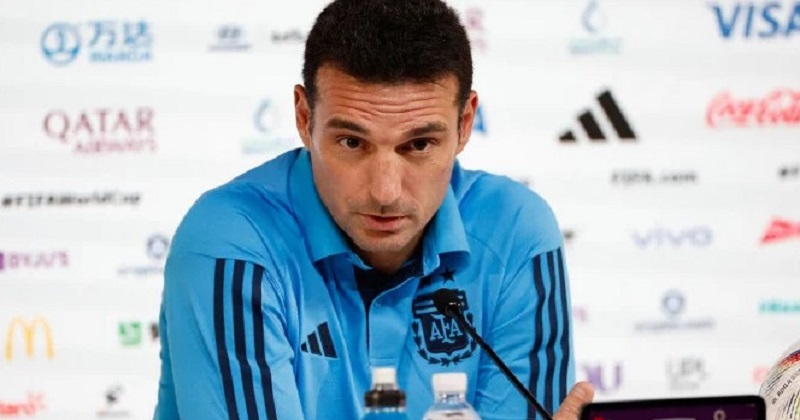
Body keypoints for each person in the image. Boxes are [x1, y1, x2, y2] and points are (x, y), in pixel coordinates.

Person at [154, 0, 594, 418]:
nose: (385, 191)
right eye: (352, 142)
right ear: (305, 118)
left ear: (465, 125)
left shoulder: (514, 233)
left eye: (418, 145)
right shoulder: (231, 241)